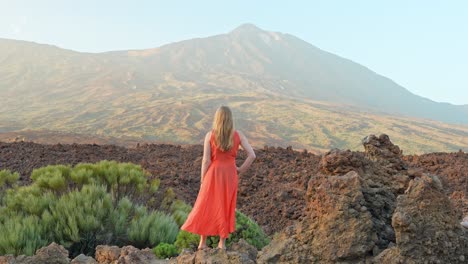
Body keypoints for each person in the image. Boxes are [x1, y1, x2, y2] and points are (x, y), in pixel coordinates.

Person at [180, 106, 256, 250]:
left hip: (213, 174)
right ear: (230, 119)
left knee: (207, 205)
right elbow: (252, 155)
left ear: (217, 118)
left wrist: (203, 181)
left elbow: (206, 161)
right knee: (226, 206)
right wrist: (240, 169)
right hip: (230, 175)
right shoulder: (238, 135)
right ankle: (222, 243)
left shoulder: (210, 135)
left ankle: (202, 243)